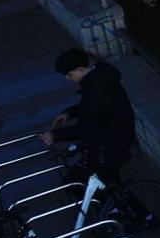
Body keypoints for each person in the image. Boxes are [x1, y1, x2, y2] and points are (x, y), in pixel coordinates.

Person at [42, 47, 136, 183]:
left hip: (109, 143)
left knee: (76, 183)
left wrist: (55, 135)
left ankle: (119, 203)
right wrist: (69, 114)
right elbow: (94, 108)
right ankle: (119, 202)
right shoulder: (99, 77)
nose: (68, 78)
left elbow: (87, 126)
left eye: (69, 74)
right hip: (112, 138)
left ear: (80, 69)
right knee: (109, 185)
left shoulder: (96, 87)